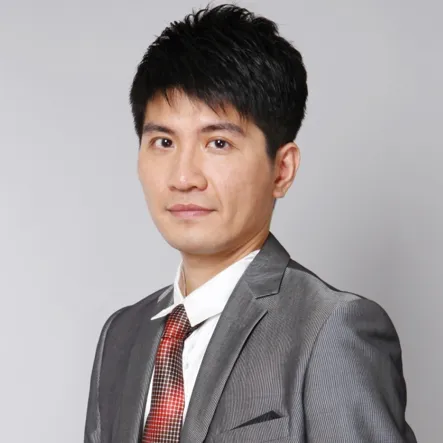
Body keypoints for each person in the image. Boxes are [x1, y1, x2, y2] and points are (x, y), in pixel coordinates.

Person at [84, 4, 417, 443]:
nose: (183, 177)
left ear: (282, 170)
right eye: (163, 141)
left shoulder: (330, 330)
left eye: (218, 143)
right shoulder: (122, 335)